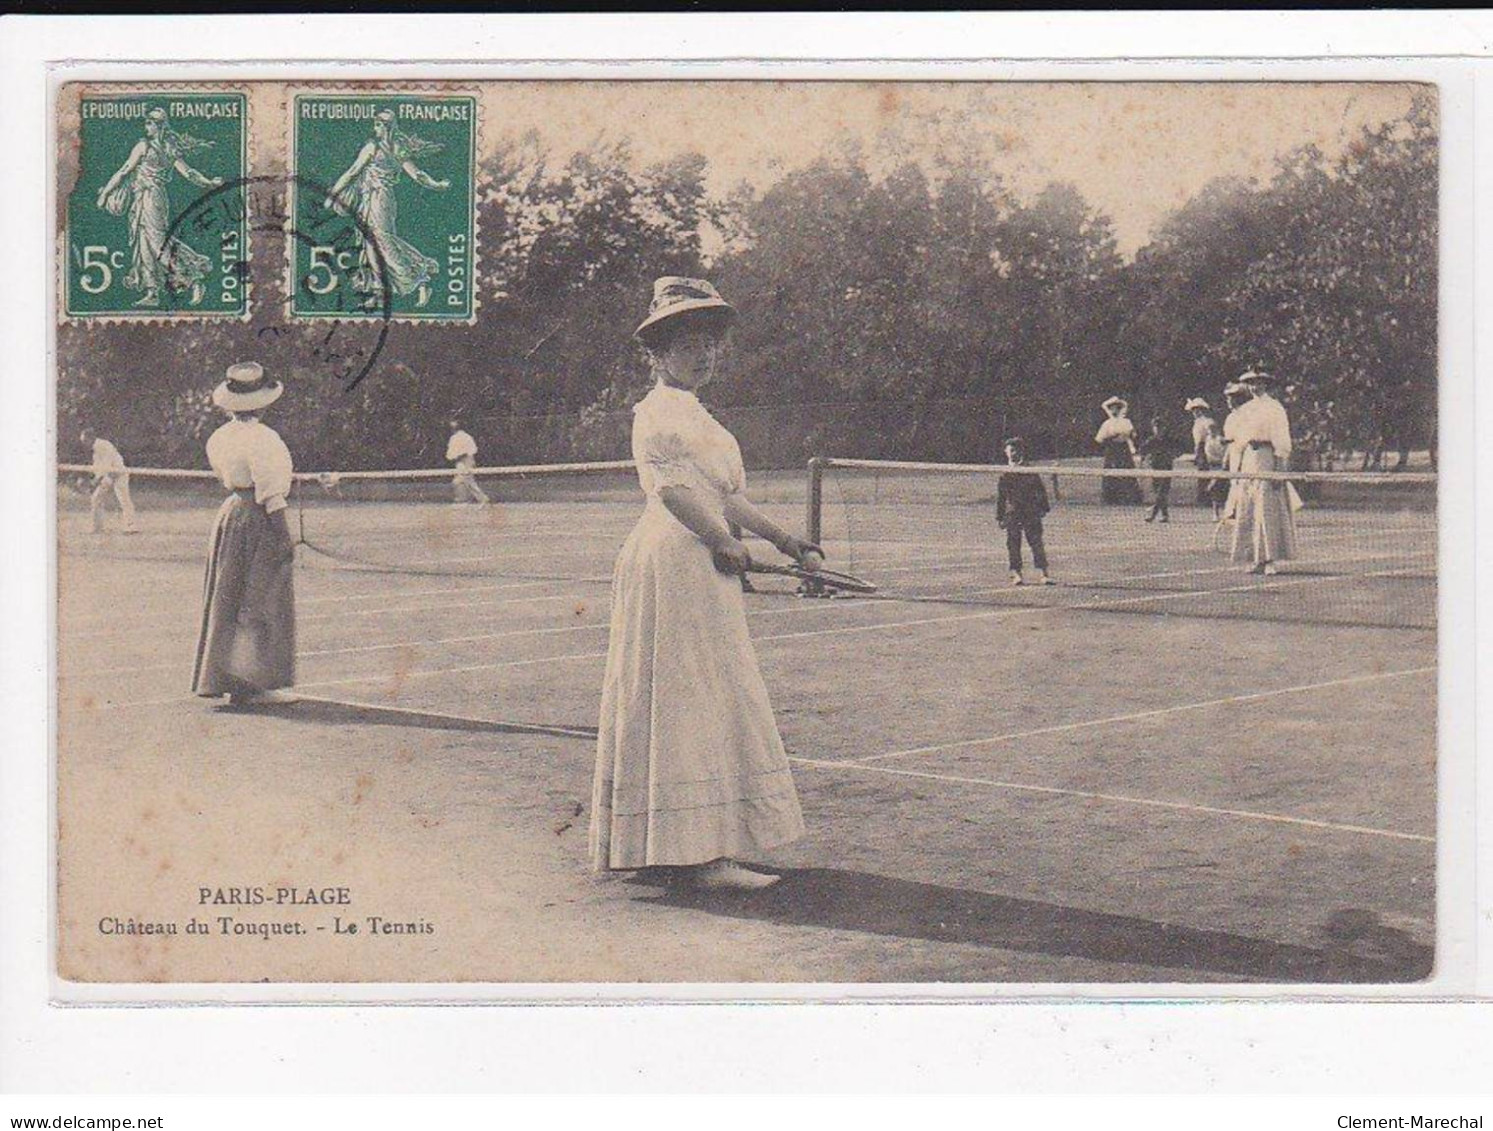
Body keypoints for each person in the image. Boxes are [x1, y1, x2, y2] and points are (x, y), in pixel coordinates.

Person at [590, 277, 821, 892]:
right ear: (658, 354)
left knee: (707, 691)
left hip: (701, 562)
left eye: (710, 345)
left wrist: (782, 538)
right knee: (684, 695)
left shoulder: (699, 417)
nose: (703, 355)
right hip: (673, 560)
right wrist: (719, 540)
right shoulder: (655, 414)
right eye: (688, 344)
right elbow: (670, 492)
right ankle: (696, 858)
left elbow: (726, 496)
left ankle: (688, 847)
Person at [191, 363, 298, 707]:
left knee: (229, 596)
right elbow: (270, 491)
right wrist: (284, 535)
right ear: (263, 404)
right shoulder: (265, 439)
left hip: (230, 514)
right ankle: (249, 684)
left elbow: (227, 475)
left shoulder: (220, 437)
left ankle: (230, 679)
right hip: (257, 518)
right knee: (260, 598)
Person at [94, 108, 222, 308]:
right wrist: (209, 182)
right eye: (146, 123)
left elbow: (124, 170)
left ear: (159, 125)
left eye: (149, 123)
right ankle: (152, 291)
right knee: (143, 242)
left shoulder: (144, 146)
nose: (146, 127)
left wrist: (104, 194)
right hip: (149, 198)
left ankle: (193, 279)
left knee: (157, 244)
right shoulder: (169, 148)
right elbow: (189, 173)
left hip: (150, 198)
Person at [323, 109, 450, 309]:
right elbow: (418, 175)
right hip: (381, 199)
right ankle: (380, 291)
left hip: (376, 199)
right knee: (372, 244)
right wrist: (436, 184)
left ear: (384, 126)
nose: (375, 128)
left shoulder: (373, 147)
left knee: (382, 242)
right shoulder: (399, 148)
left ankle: (420, 279)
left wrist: (332, 195)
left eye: (377, 124)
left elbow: (352, 172)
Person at [1228, 369, 1298, 575]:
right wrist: (1237, 468)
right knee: (1249, 508)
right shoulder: (1246, 409)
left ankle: (1270, 560)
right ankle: (1255, 558)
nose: (1254, 387)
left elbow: (1282, 441)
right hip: (1250, 460)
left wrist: (1279, 467)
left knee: (1266, 508)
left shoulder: (1275, 408)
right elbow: (1239, 441)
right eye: (1250, 383)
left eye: (1258, 383)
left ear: (1266, 385)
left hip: (1267, 459)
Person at [995, 437, 1053, 586]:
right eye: (1010, 450)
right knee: (1013, 543)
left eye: (1015, 450)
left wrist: (1043, 507)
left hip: (1030, 510)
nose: (1012, 453)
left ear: (1021, 451)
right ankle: (1016, 574)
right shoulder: (1004, 473)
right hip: (1013, 512)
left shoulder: (1029, 470)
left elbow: (1040, 490)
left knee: (1036, 542)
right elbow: (1001, 496)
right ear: (1005, 452)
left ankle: (1044, 573)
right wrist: (1000, 516)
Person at [82, 429, 138, 534]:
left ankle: (131, 526)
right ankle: (97, 527)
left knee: (124, 499)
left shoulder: (103, 445)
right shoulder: (95, 449)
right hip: (109, 475)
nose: (83, 443)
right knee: (96, 498)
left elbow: (106, 467)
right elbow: (98, 469)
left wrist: (95, 482)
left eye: (84, 440)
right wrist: (94, 481)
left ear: (90, 438)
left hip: (118, 473)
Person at [1094, 395, 1141, 505]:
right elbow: (1099, 440)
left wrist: (1128, 435)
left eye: (1116, 407)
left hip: (1124, 450)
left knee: (1127, 473)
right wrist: (1110, 438)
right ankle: (1111, 499)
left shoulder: (1126, 422)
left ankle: (1129, 498)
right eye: (1112, 408)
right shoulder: (1107, 423)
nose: (1114, 410)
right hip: (1112, 450)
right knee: (1111, 473)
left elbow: (1133, 435)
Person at [1138, 415, 1176, 523]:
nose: (1158, 429)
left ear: (1164, 428)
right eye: (1156, 427)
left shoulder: (1169, 440)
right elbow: (1142, 450)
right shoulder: (1151, 440)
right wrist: (1146, 457)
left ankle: (1153, 514)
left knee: (1162, 492)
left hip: (1166, 468)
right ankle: (1165, 515)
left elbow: (1179, 449)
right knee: (1159, 492)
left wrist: (1171, 456)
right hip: (1155, 468)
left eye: (1160, 427)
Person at [445, 419, 489, 505]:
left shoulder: (465, 437)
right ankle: (464, 499)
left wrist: (459, 456)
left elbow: (471, 450)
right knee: (462, 481)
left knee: (462, 480)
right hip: (460, 462)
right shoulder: (454, 437)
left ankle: (478, 498)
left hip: (466, 461)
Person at [1185, 397, 1216, 506]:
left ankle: (1207, 499)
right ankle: (1203, 498)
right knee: (1201, 473)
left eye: (1198, 409)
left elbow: (1213, 434)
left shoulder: (1207, 421)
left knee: (1205, 473)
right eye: (1193, 410)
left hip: (1206, 448)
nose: (1195, 412)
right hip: (1199, 447)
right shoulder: (1197, 422)